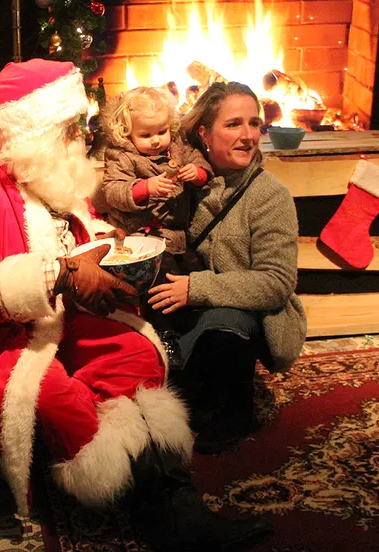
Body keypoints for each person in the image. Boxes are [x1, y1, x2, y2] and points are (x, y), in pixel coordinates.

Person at [0, 58, 272, 551]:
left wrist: (108, 242)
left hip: (66, 310)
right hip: (0, 331)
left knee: (136, 356)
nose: (77, 138)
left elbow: (80, 228)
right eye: (66, 128)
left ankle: (177, 504)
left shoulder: (40, 163)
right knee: (62, 404)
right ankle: (157, 514)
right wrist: (61, 272)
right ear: (31, 128)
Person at [147, 82, 308, 455]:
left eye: (254, 123)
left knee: (227, 325)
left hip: (245, 311)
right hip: (185, 296)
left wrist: (195, 289)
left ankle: (235, 411)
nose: (249, 135)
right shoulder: (183, 183)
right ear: (204, 133)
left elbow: (276, 283)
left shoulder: (269, 195)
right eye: (234, 124)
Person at [97, 86, 212, 369]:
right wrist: (144, 188)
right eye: (145, 135)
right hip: (140, 238)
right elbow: (113, 191)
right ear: (127, 132)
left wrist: (196, 174)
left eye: (161, 132)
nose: (155, 141)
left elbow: (203, 167)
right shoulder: (122, 155)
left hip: (177, 235)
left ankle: (198, 329)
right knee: (159, 282)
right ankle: (164, 334)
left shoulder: (179, 146)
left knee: (195, 273)